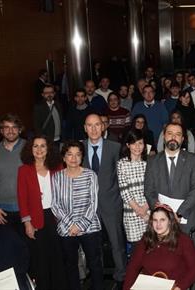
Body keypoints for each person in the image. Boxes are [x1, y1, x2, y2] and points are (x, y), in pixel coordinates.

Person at [144, 123, 195, 253]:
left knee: (191, 260)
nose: (173, 137)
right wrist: (164, 214)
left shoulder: (193, 160)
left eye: (177, 135)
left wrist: (178, 213)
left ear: (183, 139)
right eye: (170, 133)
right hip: (162, 221)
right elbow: (149, 191)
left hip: (188, 218)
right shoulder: (152, 161)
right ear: (164, 136)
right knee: (166, 261)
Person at [16, 135, 67, 289]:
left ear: (48, 148)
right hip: (36, 219)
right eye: (35, 146)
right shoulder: (24, 170)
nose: (39, 149)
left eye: (42, 146)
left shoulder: (58, 167)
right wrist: (27, 223)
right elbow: (22, 198)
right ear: (30, 149)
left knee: (58, 256)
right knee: (40, 259)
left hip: (57, 217)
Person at [52, 141, 103, 290]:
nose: (73, 158)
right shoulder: (57, 177)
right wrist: (70, 225)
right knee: (70, 264)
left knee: (94, 263)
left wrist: (80, 225)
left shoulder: (90, 175)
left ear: (82, 157)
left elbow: (93, 203)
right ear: (63, 157)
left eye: (78, 154)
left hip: (89, 226)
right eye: (69, 154)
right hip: (66, 228)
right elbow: (55, 204)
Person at [82, 113, 127, 286]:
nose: (93, 129)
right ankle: (97, 277)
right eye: (89, 125)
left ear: (103, 126)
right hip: (88, 207)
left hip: (111, 203)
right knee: (94, 246)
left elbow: (120, 176)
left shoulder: (115, 147)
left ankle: (121, 276)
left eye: (97, 125)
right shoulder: (78, 148)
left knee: (117, 244)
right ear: (85, 128)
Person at [123, 205, 195, 290]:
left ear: (170, 221)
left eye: (162, 220)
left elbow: (194, 269)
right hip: (148, 286)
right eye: (155, 220)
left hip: (174, 286)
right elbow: (132, 268)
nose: (158, 224)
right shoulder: (146, 240)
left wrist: (180, 287)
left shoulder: (183, 240)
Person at [0, 114, 26, 234]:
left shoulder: (30, 147)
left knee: (29, 245)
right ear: (1, 131)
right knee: (8, 246)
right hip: (2, 209)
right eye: (6, 127)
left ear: (20, 129)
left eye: (14, 127)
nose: (11, 131)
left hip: (26, 206)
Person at [117, 129, 149, 246]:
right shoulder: (121, 164)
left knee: (151, 247)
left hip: (149, 210)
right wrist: (139, 211)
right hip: (131, 212)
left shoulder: (149, 163)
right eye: (134, 143)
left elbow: (152, 189)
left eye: (140, 143)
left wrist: (145, 209)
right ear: (128, 145)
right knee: (137, 250)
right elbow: (124, 191)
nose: (137, 147)